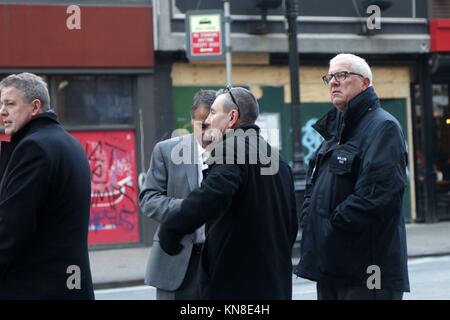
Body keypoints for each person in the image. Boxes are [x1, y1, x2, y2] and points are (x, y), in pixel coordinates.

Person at [157, 86, 298, 299]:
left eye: (213, 112)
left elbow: (210, 198)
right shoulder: (276, 158)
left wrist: (171, 229)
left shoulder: (229, 149)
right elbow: (291, 225)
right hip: (275, 282)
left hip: (237, 284)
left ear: (232, 117)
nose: (208, 120)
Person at [295, 53, 410, 300]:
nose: (334, 82)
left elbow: (379, 195)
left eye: (343, 75)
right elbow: (314, 187)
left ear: (365, 82)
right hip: (333, 265)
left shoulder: (383, 127)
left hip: (366, 272)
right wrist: (310, 220)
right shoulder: (335, 132)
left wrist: (329, 226)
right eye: (330, 77)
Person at [0, 73, 94, 299]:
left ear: (35, 107)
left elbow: (11, 228)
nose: (2, 111)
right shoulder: (68, 142)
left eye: (10, 104)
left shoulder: (34, 147)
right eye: (1, 104)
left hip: (37, 287)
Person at [139, 89, 216, 300]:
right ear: (192, 121)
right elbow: (149, 200)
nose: (209, 131)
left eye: (214, 124)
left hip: (219, 262)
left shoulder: (233, 156)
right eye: (203, 124)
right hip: (177, 260)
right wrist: (190, 209)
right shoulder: (166, 151)